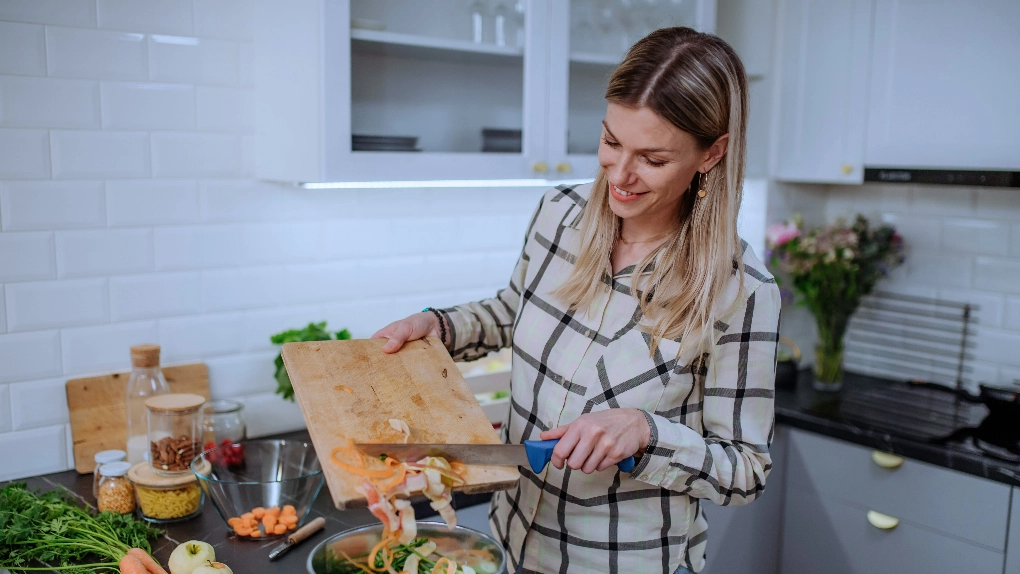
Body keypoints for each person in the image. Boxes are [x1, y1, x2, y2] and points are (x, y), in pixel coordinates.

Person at [373, 26, 781, 574]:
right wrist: (439, 326)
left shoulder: (741, 290)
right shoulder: (559, 215)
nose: (620, 174)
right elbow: (510, 313)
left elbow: (745, 469)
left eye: (653, 159)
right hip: (509, 544)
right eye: (611, 142)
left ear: (712, 154)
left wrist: (646, 433)